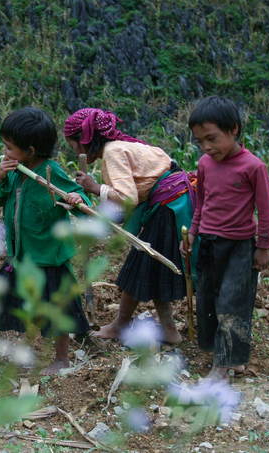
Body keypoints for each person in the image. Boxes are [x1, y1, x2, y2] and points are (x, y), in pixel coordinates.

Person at [0, 106, 92, 375]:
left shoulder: (52, 172)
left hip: (49, 259)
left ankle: (62, 360)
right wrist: (1, 176)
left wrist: (77, 199)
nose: (4, 153)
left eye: (9, 148)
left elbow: (79, 200)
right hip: (19, 257)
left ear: (30, 150)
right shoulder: (15, 171)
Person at [64, 108, 196, 344]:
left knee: (139, 263)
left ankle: (119, 327)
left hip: (167, 207)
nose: (75, 152)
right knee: (151, 266)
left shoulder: (113, 152)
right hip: (172, 202)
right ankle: (168, 330)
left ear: (85, 140)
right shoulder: (126, 145)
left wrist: (95, 188)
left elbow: (128, 198)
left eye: (75, 146)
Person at [181, 95, 269, 383]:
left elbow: (267, 211)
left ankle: (221, 369)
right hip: (208, 243)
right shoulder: (206, 165)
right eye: (200, 141)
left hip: (239, 247)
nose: (207, 147)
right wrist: (193, 235)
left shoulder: (253, 167)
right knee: (208, 299)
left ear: (233, 129)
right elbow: (202, 203)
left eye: (212, 138)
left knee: (233, 303)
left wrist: (263, 247)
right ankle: (230, 359)